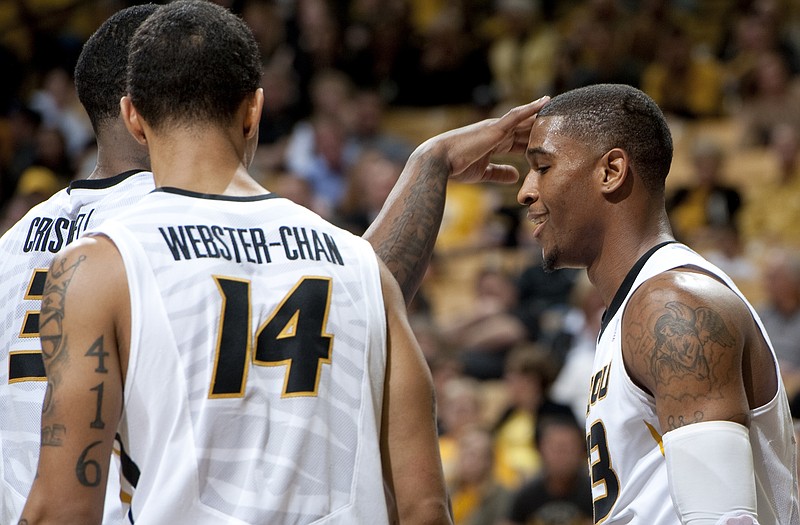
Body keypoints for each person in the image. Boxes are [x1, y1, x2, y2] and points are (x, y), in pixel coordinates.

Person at [1, 2, 549, 522]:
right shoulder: (359, 264)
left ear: (134, 115)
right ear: (255, 109)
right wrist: (427, 168)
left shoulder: (83, 262)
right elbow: (426, 509)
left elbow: (60, 512)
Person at [517, 83, 799, 523]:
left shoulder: (674, 307)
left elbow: (721, 520)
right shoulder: (635, 307)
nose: (525, 191)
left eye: (543, 167)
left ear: (611, 170)